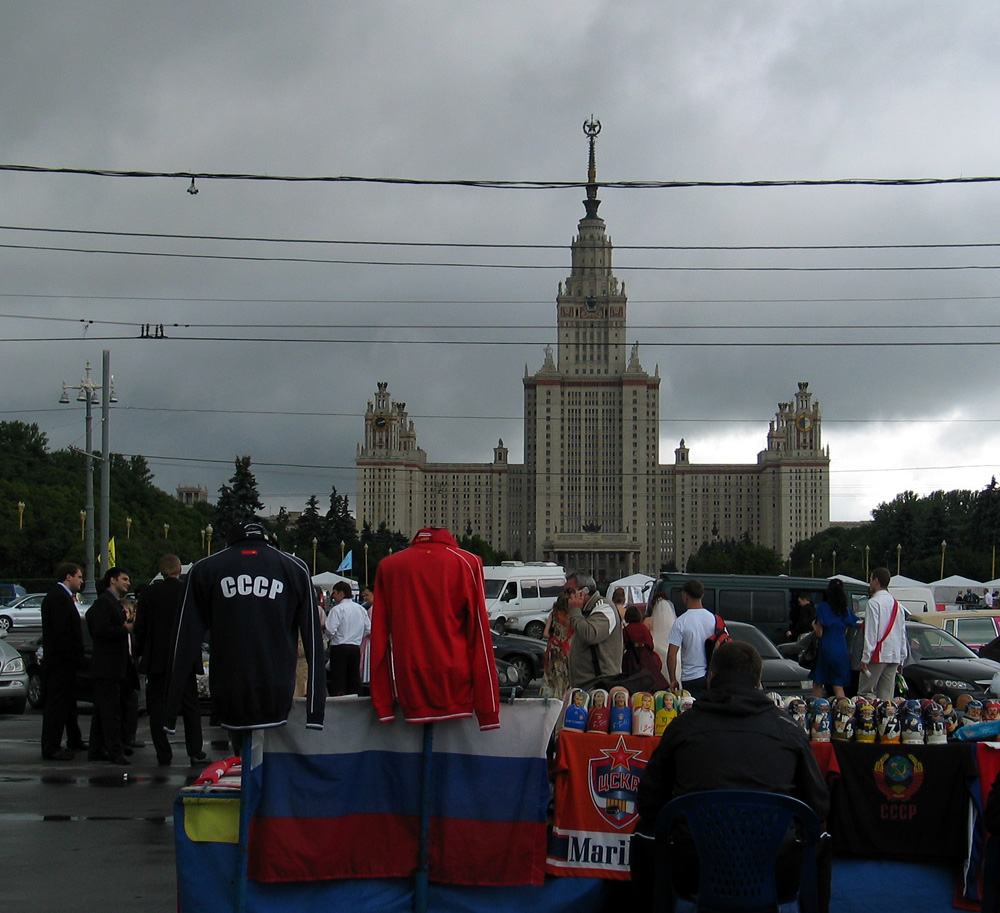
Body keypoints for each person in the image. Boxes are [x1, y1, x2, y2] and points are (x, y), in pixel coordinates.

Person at [632, 640, 831, 910]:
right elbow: (818, 806)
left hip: (694, 869)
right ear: (758, 681)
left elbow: (648, 802)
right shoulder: (788, 729)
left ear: (711, 677)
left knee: (644, 831)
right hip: (776, 871)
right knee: (819, 835)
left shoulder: (682, 727)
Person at [166, 521, 326, 755]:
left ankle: (248, 783)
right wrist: (315, 711)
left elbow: (184, 640)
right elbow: (313, 641)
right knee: (274, 760)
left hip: (229, 686)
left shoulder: (205, 569)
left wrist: (170, 712)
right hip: (277, 686)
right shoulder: (294, 568)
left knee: (244, 763)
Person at [133, 554, 206, 767]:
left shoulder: (149, 594)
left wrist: (141, 652)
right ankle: (196, 751)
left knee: (156, 708)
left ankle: (163, 753)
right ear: (178, 570)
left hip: (157, 659)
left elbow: (141, 627)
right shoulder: (187, 592)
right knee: (191, 707)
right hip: (184, 659)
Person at [85, 567, 133, 765]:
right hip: (108, 666)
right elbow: (101, 630)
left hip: (110, 665)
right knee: (110, 711)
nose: (128, 583)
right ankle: (115, 751)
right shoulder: (106, 603)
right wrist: (124, 629)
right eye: (124, 579)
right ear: (113, 580)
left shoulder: (109, 602)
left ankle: (96, 748)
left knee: (102, 711)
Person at [39, 563, 87, 760]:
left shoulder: (59, 596)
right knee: (57, 705)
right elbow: (62, 633)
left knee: (67, 703)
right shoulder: (59, 598)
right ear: (69, 577)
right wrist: (73, 655)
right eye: (79, 577)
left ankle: (74, 739)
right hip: (61, 662)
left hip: (61, 660)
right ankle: (51, 746)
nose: (82, 581)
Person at [565, 572, 622, 691]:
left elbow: (589, 634)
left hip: (600, 685)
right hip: (584, 685)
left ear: (584, 591)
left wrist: (575, 611)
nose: (566, 597)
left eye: (569, 592)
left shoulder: (604, 608)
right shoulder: (584, 611)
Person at [859, 567, 908, 700]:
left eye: (870, 580)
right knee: (886, 697)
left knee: (865, 693)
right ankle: (886, 720)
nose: (870, 583)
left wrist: (865, 657)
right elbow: (902, 633)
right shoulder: (898, 605)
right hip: (894, 656)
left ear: (876, 581)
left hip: (877, 655)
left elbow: (871, 632)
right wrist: (902, 658)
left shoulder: (873, 603)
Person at [666, 579, 719, 698]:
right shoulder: (715, 619)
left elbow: (671, 654)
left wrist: (673, 679)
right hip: (712, 676)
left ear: (685, 596)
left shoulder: (680, 622)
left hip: (690, 677)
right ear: (702, 595)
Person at [810, 578, 859, 700]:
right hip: (841, 649)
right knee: (838, 685)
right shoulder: (845, 610)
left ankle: (819, 708)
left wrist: (813, 625)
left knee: (818, 683)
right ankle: (842, 710)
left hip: (826, 647)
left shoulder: (823, 608)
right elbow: (852, 623)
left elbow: (819, 633)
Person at [325, 581, 370, 696]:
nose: (333, 596)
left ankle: (339, 701)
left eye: (334, 593)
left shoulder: (337, 610)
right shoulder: (360, 609)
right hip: (355, 647)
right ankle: (355, 700)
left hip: (339, 647)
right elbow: (368, 629)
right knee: (354, 678)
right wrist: (357, 636)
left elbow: (330, 630)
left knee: (338, 679)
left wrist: (327, 636)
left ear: (341, 593)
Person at [542, 589, 573, 697]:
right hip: (567, 650)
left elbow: (545, 634)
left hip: (554, 649)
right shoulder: (572, 617)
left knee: (552, 675)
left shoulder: (553, 614)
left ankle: (550, 698)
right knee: (565, 676)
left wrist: (554, 638)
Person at [644, 582, 677, 669]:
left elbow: (644, 637)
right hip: (669, 650)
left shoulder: (648, 621)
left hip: (656, 651)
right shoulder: (673, 621)